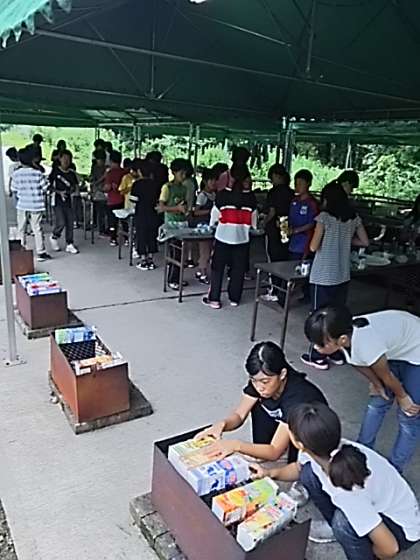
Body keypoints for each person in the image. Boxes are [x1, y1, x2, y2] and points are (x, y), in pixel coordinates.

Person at [252, 403, 420, 559]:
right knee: (308, 474)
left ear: (299, 443)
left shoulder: (347, 491)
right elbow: (298, 468)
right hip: (376, 503)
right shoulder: (326, 447)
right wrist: (269, 473)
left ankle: (351, 539)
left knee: (342, 523)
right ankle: (343, 528)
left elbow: (390, 548)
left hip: (401, 528)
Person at [304, 306, 420, 473]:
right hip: (394, 348)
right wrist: (376, 384)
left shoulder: (367, 344)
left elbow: (387, 375)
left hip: (416, 349)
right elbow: (358, 362)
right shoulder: (342, 331)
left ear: (342, 340)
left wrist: (402, 396)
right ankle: (361, 451)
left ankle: (395, 468)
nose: (316, 347)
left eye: (320, 344)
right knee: (377, 403)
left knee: (409, 415)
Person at [196, 341, 327, 466]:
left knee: (295, 467)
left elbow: (274, 450)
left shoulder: (298, 399)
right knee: (258, 404)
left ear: (282, 374)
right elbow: (239, 415)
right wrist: (222, 424)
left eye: (265, 382)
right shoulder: (261, 381)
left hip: (306, 442)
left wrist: (236, 445)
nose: (259, 387)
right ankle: (263, 452)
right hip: (278, 430)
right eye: (253, 380)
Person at [301, 183, 369, 370]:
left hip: (323, 275)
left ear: (327, 200)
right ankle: (337, 353)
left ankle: (317, 356)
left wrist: (329, 239)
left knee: (319, 317)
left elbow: (313, 246)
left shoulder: (324, 218)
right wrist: (345, 240)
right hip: (342, 274)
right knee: (337, 317)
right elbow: (365, 241)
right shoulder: (353, 218)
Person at [203, 168, 257, 309]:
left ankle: (214, 299)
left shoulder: (222, 196)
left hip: (222, 237)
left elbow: (214, 219)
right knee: (238, 269)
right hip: (242, 240)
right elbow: (254, 224)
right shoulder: (251, 198)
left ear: (230, 178)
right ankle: (234, 298)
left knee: (217, 268)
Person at [11, 147, 51, 262]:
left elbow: (14, 189)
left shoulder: (16, 174)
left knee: (21, 228)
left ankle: (21, 250)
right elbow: (45, 188)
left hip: (22, 204)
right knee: (37, 228)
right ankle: (41, 252)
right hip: (36, 204)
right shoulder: (37, 173)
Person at [158, 158, 189, 289]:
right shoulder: (167, 187)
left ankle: (178, 278)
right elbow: (161, 207)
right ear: (174, 172)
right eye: (181, 173)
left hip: (182, 223)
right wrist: (176, 208)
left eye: (185, 173)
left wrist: (184, 209)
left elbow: (183, 205)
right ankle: (172, 279)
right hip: (171, 225)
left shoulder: (183, 188)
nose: (184, 176)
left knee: (181, 254)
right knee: (174, 254)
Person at [130, 159, 161, 271]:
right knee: (152, 236)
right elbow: (159, 199)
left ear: (139, 171)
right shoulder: (155, 184)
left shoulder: (137, 184)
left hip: (141, 214)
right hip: (153, 213)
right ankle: (151, 260)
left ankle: (143, 260)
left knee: (141, 236)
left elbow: (133, 199)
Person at [49, 150, 79, 254]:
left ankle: (69, 243)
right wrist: (59, 192)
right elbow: (48, 186)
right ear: (60, 159)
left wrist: (72, 191)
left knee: (70, 222)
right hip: (57, 201)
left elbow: (75, 186)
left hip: (68, 201)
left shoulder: (71, 173)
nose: (66, 161)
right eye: (64, 158)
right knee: (61, 222)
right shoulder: (55, 171)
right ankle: (54, 236)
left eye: (68, 159)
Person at [193, 167, 217, 283]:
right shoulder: (202, 196)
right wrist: (210, 211)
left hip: (212, 226)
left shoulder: (215, 195)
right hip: (203, 226)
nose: (213, 183)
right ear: (205, 181)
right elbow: (196, 212)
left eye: (215, 180)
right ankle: (203, 273)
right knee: (205, 251)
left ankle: (200, 271)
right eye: (211, 180)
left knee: (210, 250)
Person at [289, 169, 318, 261]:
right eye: (296, 184)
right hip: (292, 242)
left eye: (300, 184)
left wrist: (296, 230)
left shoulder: (312, 203)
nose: (297, 186)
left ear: (308, 184)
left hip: (304, 244)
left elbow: (313, 223)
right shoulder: (294, 201)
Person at [104, 150, 125, 246]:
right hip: (123, 199)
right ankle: (127, 238)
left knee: (112, 221)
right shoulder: (124, 172)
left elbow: (107, 187)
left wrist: (103, 189)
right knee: (124, 220)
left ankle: (113, 238)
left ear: (111, 160)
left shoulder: (110, 173)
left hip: (112, 200)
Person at [90, 149, 108, 237]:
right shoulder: (95, 168)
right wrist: (102, 178)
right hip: (98, 192)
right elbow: (93, 181)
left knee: (104, 212)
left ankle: (104, 228)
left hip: (105, 191)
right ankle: (101, 230)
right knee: (100, 213)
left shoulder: (106, 167)